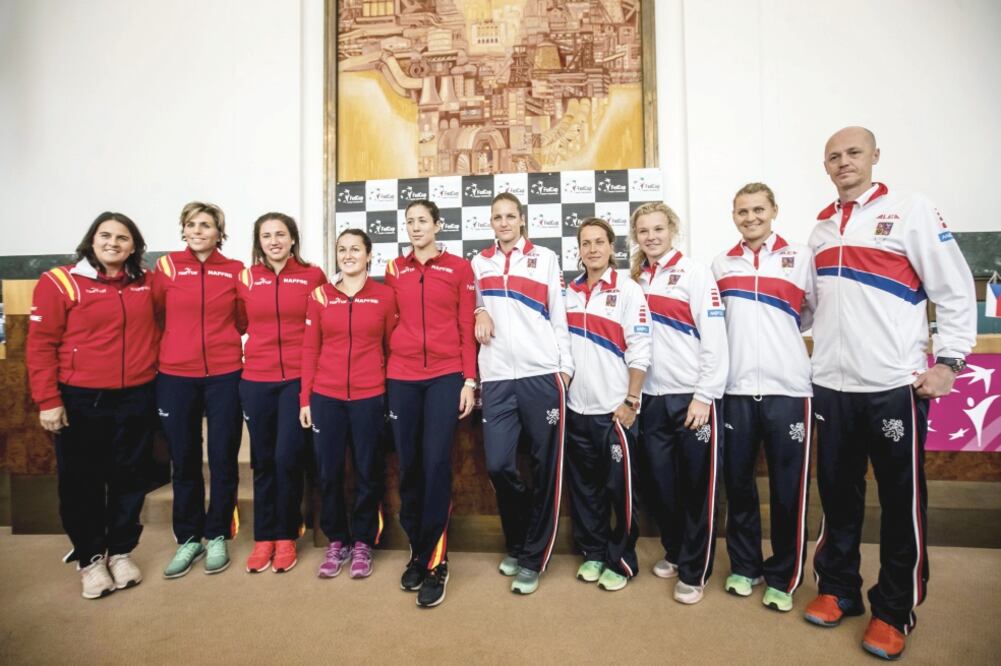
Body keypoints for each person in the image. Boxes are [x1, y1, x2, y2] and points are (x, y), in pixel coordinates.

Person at [805, 127, 976, 660]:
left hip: (891, 386)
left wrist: (949, 361)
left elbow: (953, 288)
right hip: (831, 386)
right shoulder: (820, 227)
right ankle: (838, 588)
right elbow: (809, 308)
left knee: (901, 504)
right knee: (837, 496)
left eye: (853, 152)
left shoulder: (911, 209)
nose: (843, 162)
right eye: (833, 156)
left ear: (876, 156)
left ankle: (894, 608)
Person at [27, 212, 158, 599]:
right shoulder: (60, 281)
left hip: (135, 395)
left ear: (134, 245)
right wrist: (48, 401)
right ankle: (89, 559)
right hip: (81, 399)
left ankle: (120, 552)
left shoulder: (146, 283)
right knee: (81, 482)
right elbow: (40, 346)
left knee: (130, 477)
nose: (113, 243)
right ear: (92, 240)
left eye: (122, 237)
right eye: (106, 235)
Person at [710, 183, 815, 612]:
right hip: (735, 390)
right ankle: (745, 566)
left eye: (758, 209)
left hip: (788, 390)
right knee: (738, 486)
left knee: (789, 489)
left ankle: (784, 575)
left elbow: (810, 316)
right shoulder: (720, 264)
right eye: (742, 211)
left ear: (774, 210)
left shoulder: (801, 258)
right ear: (733, 215)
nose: (750, 217)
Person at [471, 193, 573, 595]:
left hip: (540, 374)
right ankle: (520, 540)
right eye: (497, 217)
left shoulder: (545, 259)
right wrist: (479, 310)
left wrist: (564, 369)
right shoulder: (478, 263)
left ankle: (532, 557)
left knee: (546, 466)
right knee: (498, 465)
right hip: (496, 378)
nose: (504, 222)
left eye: (510, 216)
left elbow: (559, 314)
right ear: (491, 222)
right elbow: (471, 308)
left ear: (522, 221)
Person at [630, 202, 728, 605]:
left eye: (658, 229)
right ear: (636, 237)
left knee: (696, 488)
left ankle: (695, 569)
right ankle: (674, 550)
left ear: (672, 230)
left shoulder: (695, 272)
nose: (651, 236)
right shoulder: (634, 280)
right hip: (652, 399)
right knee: (662, 487)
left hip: (692, 399)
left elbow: (715, 337)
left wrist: (704, 395)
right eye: (643, 231)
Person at [384, 199, 477, 608]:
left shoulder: (458, 267)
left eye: (423, 220)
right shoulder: (394, 269)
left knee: (437, 464)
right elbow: (385, 323)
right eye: (410, 222)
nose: (416, 227)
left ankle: (437, 561)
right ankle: (418, 552)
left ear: (438, 225)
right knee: (409, 467)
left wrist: (469, 379)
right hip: (401, 377)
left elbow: (465, 324)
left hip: (444, 376)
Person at [154, 201, 246, 578]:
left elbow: (242, 320)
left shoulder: (236, 270)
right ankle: (189, 537)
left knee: (223, 458)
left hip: (225, 374)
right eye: (191, 224)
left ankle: (218, 533)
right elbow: (156, 313)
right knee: (185, 457)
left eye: (205, 225)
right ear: (183, 229)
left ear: (218, 231)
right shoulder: (167, 267)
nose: (197, 230)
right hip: (175, 375)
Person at [299, 229, 397, 580]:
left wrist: (386, 394)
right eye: (342, 249)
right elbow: (310, 349)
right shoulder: (320, 296)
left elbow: (390, 348)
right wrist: (305, 398)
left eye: (356, 249)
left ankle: (363, 542)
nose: (348, 254)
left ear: (369, 255)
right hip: (326, 396)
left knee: (368, 471)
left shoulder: (385, 297)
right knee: (328, 472)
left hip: (369, 396)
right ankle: (337, 539)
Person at [564, 217, 650, 592]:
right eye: (586, 243)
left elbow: (641, 349)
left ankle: (622, 559)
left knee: (620, 490)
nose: (593, 248)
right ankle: (594, 553)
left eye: (600, 241)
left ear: (611, 247)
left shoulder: (629, 291)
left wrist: (631, 400)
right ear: (579, 250)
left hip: (615, 411)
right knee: (585, 489)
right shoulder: (568, 292)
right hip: (576, 410)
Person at [237, 213, 326, 574]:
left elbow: (319, 329)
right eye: (266, 235)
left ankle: (287, 534)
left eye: (280, 234)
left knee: (288, 458)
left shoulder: (312, 276)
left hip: (296, 379)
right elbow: (238, 322)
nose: (274, 241)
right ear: (259, 242)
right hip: (255, 379)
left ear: (293, 239)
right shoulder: (245, 278)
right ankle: (264, 536)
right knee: (263, 461)